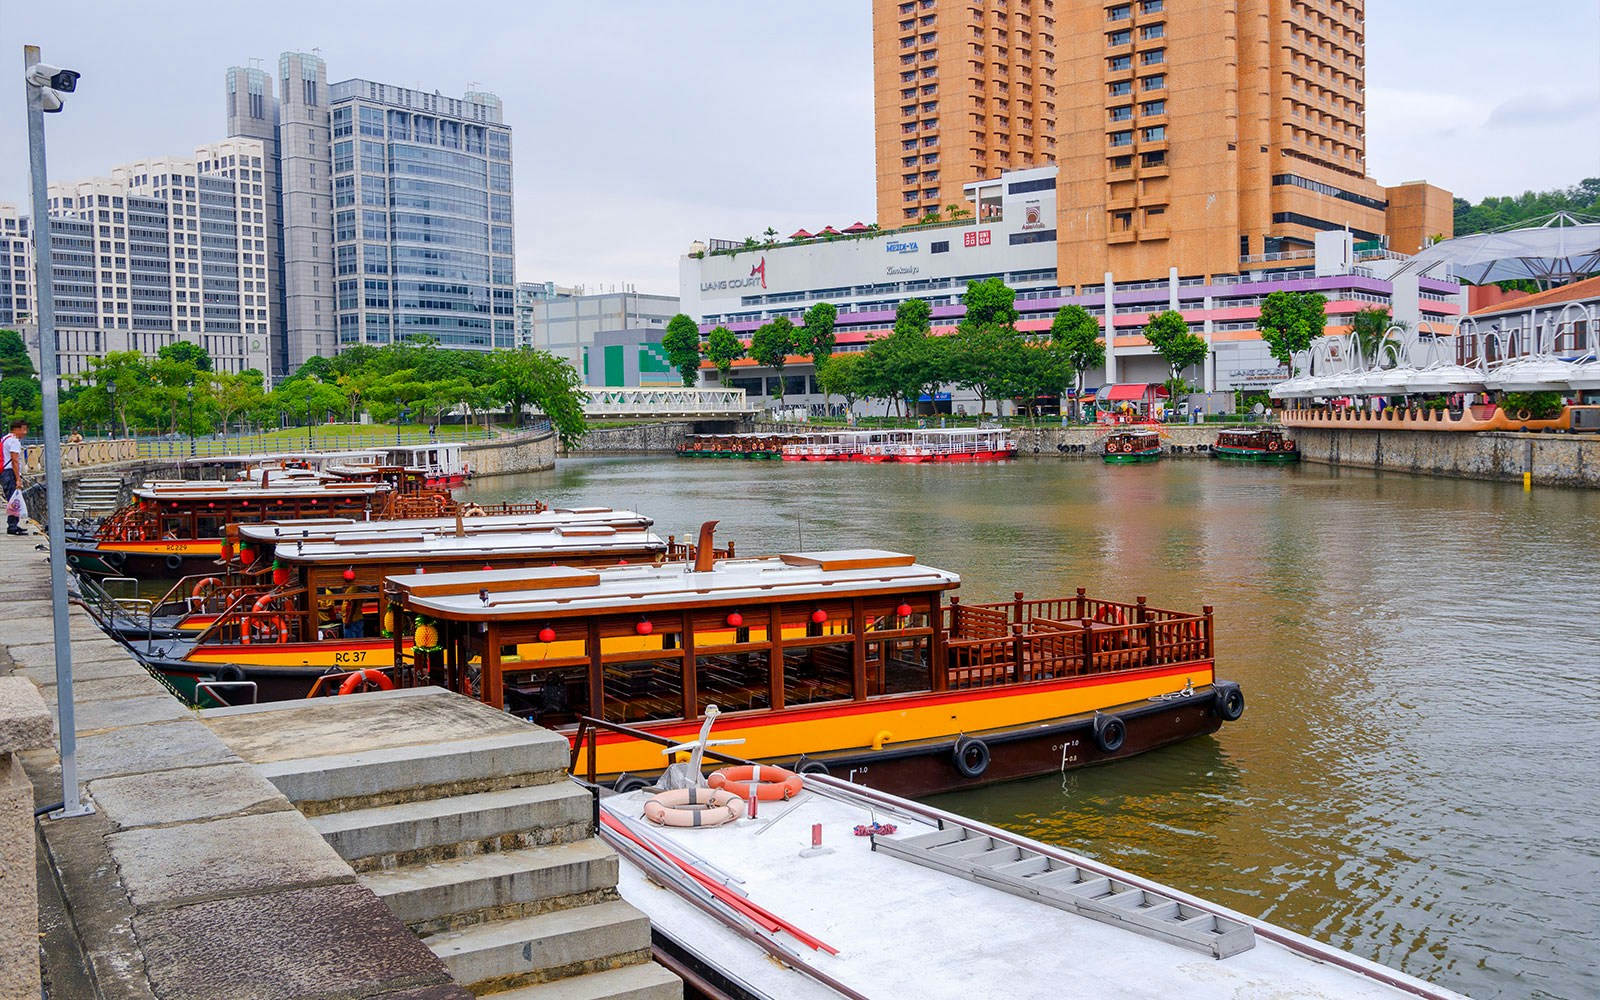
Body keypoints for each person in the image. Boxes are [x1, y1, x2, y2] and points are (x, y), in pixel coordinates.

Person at [2, 419, 25, 536]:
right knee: (14, 499)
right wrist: (18, 479)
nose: (25, 432)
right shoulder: (14, 441)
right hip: (10, 472)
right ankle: (12, 526)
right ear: (16, 429)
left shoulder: (5, 438)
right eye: (23, 429)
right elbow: (15, 460)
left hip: (4, 472)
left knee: (12, 498)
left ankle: (13, 524)